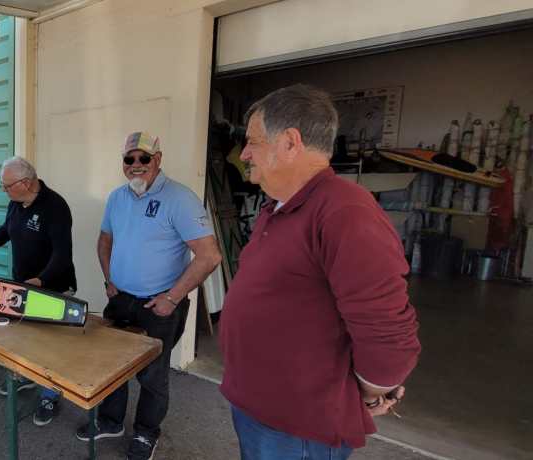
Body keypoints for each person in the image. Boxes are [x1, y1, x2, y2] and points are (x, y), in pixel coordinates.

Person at [220, 84, 421, 460]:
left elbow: (387, 329)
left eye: (253, 142)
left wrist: (371, 391)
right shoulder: (279, 207)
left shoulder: (344, 211)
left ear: (290, 142)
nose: (244, 153)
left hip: (298, 426)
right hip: (261, 408)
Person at [78, 131, 221, 460]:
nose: (136, 164)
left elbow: (210, 256)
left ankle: (146, 433)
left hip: (159, 305)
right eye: (129, 159)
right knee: (112, 366)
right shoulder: (117, 197)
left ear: (157, 159)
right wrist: (109, 279)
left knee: (152, 376)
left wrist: (172, 298)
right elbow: (104, 240)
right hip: (120, 299)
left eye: (143, 158)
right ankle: (111, 421)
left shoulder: (180, 198)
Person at [0, 156, 77, 426]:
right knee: (25, 337)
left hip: (52, 287)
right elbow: (6, 230)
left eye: (7, 186)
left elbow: (62, 255)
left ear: (26, 183)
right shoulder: (16, 203)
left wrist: (40, 280)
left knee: (50, 344)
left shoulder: (55, 206)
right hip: (24, 284)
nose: (4, 191)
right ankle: (28, 376)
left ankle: (50, 394)